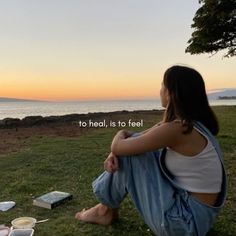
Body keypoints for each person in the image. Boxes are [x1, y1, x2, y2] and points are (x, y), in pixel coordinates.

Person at [75, 65, 227, 236]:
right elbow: (135, 138)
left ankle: (104, 211)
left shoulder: (178, 129)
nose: (160, 89)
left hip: (184, 225)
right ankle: (104, 209)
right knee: (134, 148)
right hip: (198, 220)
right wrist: (120, 145)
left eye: (162, 85)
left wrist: (118, 141)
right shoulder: (192, 125)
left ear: (171, 93)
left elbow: (119, 145)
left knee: (133, 154)